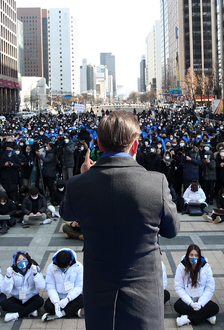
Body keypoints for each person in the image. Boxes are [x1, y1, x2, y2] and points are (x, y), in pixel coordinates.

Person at [60, 111, 179, 330]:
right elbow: (171, 230)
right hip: (144, 289)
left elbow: (67, 214)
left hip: (98, 287)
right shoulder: (156, 183)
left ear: (99, 145)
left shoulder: (77, 184)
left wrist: (85, 174)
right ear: (135, 146)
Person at [173, 244, 219, 327]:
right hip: (188, 299)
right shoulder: (181, 267)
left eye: (196, 255)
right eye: (191, 255)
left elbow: (210, 288)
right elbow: (178, 287)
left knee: (215, 307)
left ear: (199, 256)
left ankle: (188, 319)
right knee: (177, 306)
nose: (194, 257)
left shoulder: (206, 268)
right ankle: (205, 316)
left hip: (201, 299)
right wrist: (190, 303)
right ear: (187, 255)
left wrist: (201, 303)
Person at [0, 251, 44, 322]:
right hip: (17, 298)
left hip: (31, 297)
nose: (21, 262)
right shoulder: (12, 272)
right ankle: (30, 311)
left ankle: (16, 315)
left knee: (40, 301)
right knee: (4, 305)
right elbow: (5, 290)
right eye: (19, 260)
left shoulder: (34, 269)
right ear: (15, 263)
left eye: (24, 259)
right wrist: (8, 277)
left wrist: (36, 274)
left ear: (28, 261)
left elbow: (41, 287)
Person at [41, 248, 84, 322]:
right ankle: (72, 311)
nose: (62, 269)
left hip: (71, 297)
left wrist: (68, 299)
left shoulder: (78, 267)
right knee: (48, 306)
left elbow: (79, 286)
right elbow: (50, 286)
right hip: (58, 296)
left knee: (84, 300)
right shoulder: (51, 267)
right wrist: (56, 302)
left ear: (70, 262)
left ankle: (59, 314)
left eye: (64, 267)